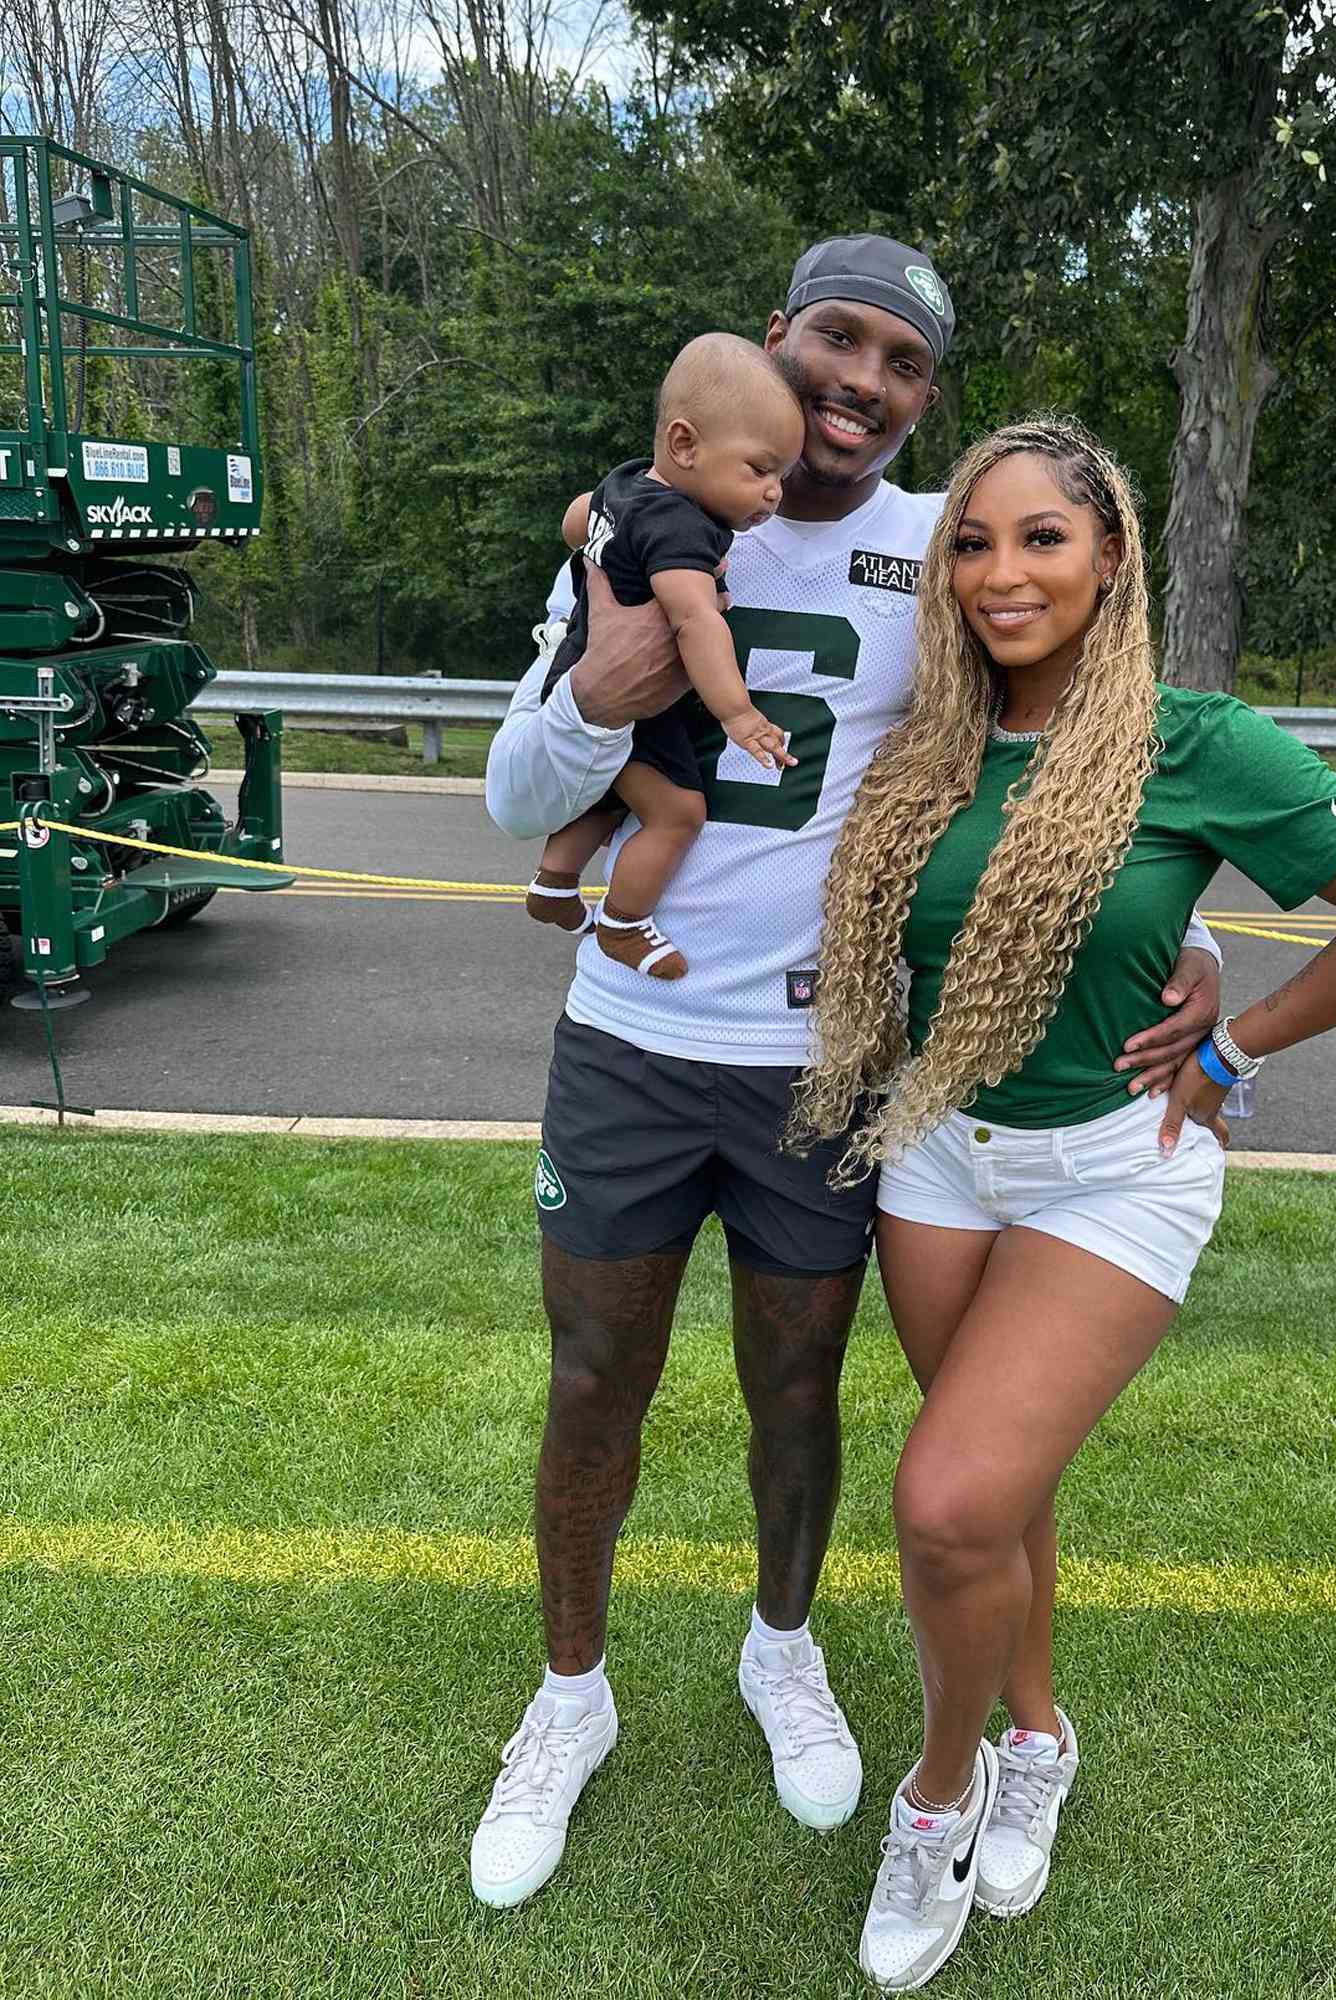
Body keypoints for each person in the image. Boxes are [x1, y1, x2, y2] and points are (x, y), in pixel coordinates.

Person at [477, 242, 1227, 1911]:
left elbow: (1074, 757)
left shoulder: (944, 554)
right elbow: (509, 789)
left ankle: (780, 1648)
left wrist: (1189, 946)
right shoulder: (635, 521)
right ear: (776, 338)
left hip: (827, 1060)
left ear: (921, 397)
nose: (859, 379)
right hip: (632, 1038)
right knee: (595, 1377)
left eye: (898, 358)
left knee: (796, 1387)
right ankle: (568, 1699)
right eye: (836, 337)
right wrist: (597, 698)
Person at [786, 416, 1336, 1992]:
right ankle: (1037, 1738)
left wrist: (1233, 1039)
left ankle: (940, 1796)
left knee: (945, 1501)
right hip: (937, 1154)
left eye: (1043, 538)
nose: (1002, 572)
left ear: (1110, 559)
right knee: (1003, 1491)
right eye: (973, 542)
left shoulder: (1193, 740)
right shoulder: (928, 743)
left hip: (1112, 1171)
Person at [523, 333, 804, 979]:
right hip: (634, 701)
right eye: (759, 470)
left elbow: (574, 521)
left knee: (615, 791)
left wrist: (604, 542)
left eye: (781, 477)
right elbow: (693, 618)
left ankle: (554, 881)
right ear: (685, 445)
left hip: (575, 678)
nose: (772, 494)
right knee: (677, 813)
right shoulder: (682, 526)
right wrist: (737, 715)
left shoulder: (624, 485)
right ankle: (622, 925)